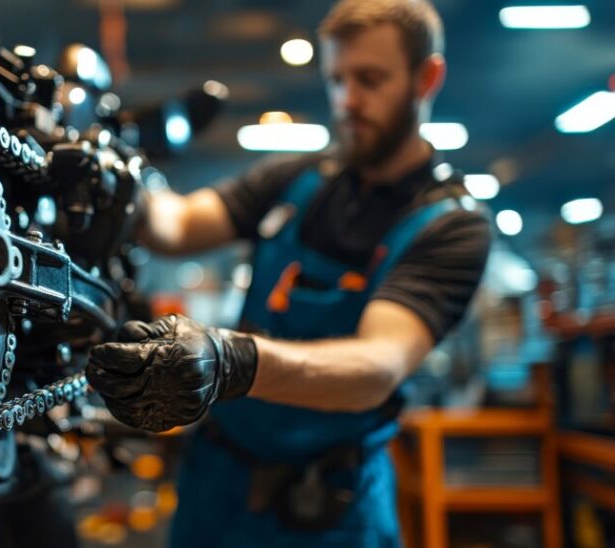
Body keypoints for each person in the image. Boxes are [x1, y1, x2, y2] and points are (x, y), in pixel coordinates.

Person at [85, 0, 492, 545]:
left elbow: (376, 364)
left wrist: (233, 361)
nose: (348, 100)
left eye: (370, 80)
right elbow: (177, 225)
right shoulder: (297, 179)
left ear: (428, 76)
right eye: (338, 80)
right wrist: (116, 175)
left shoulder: (450, 226)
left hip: (327, 508)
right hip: (219, 488)